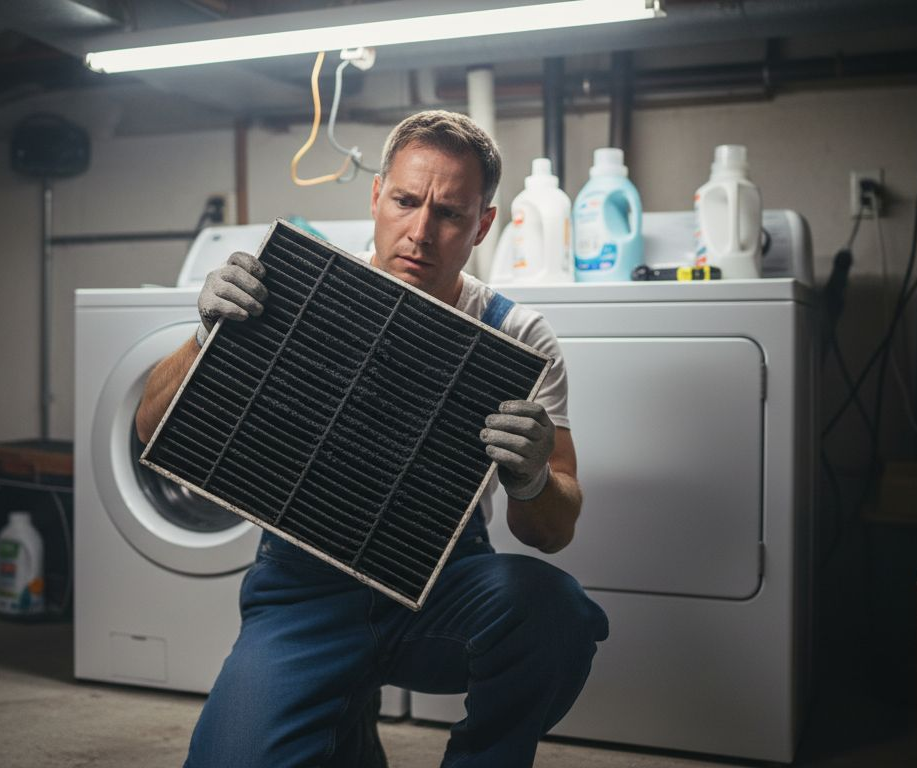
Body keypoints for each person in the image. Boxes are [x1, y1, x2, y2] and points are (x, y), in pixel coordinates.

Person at [135, 109, 608, 768]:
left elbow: (553, 531)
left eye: (449, 213)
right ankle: (344, 725)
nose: (420, 232)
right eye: (406, 201)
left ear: (484, 224)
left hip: (441, 587)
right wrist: (204, 334)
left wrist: (530, 478)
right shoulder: (295, 292)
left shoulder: (519, 339)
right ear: (376, 195)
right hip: (303, 594)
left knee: (557, 612)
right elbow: (150, 427)